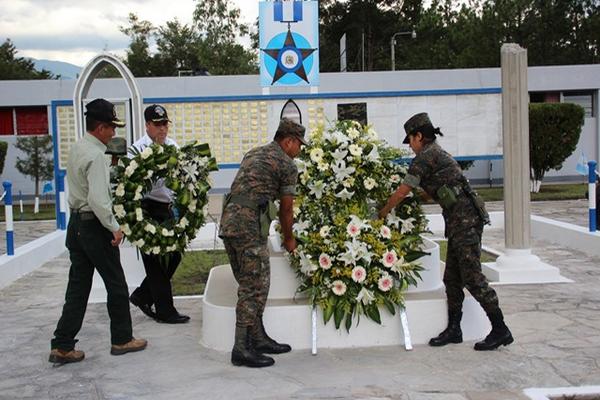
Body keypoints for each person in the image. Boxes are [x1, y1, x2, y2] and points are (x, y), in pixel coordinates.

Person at [378, 112, 513, 351]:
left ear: (419, 136)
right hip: (460, 220)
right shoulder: (436, 154)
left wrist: (383, 212)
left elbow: (403, 190)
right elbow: (434, 191)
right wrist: (415, 200)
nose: (410, 146)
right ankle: (454, 329)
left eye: (410, 140)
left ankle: (500, 328)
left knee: (472, 277)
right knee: (452, 278)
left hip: (466, 221)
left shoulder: (425, 157)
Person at [49, 98, 147, 364]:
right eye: (112, 127)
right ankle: (122, 339)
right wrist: (114, 228)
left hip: (76, 226)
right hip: (94, 226)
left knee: (78, 287)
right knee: (116, 284)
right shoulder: (96, 156)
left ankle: (62, 345)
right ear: (101, 127)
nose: (114, 133)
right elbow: (98, 200)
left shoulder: (79, 147)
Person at [219, 118, 305, 368]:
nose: (299, 150)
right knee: (253, 286)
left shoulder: (253, 153)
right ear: (288, 141)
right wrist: (289, 239)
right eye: (299, 144)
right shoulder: (286, 164)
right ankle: (241, 348)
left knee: (256, 282)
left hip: (230, 223)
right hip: (249, 227)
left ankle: (257, 338)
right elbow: (286, 209)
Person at [128, 104, 189, 324]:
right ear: (147, 125)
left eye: (165, 124)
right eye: (157, 124)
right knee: (155, 260)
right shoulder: (137, 150)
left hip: (166, 208)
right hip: (145, 208)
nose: (162, 129)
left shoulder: (172, 147)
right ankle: (165, 310)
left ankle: (142, 295)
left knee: (175, 255)